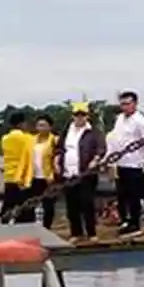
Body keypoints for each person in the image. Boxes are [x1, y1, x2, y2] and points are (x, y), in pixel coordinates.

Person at [55, 102, 107, 242]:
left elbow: (101, 148)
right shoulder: (67, 131)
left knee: (87, 203)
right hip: (68, 173)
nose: (79, 118)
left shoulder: (93, 132)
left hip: (86, 173)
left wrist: (95, 159)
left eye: (82, 115)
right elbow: (59, 147)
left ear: (87, 116)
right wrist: (57, 159)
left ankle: (91, 232)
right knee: (72, 205)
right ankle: (76, 232)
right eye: (77, 115)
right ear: (72, 116)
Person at [110, 91, 144, 238]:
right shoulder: (119, 119)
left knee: (135, 195)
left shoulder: (141, 122)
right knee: (124, 195)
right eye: (122, 104)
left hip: (135, 163)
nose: (125, 107)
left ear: (135, 104)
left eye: (128, 104)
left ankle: (136, 223)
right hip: (121, 162)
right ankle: (129, 221)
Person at [0, 111, 35, 222]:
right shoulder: (27, 138)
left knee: (7, 206)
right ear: (21, 124)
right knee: (25, 209)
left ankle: (1, 227)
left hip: (9, 176)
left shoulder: (5, 139)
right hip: (23, 178)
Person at [28, 114, 58, 229]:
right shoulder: (31, 140)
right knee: (31, 204)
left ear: (50, 127)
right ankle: (32, 227)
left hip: (48, 177)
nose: (41, 128)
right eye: (39, 125)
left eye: (44, 125)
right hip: (34, 176)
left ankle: (47, 227)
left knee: (48, 205)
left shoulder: (54, 140)